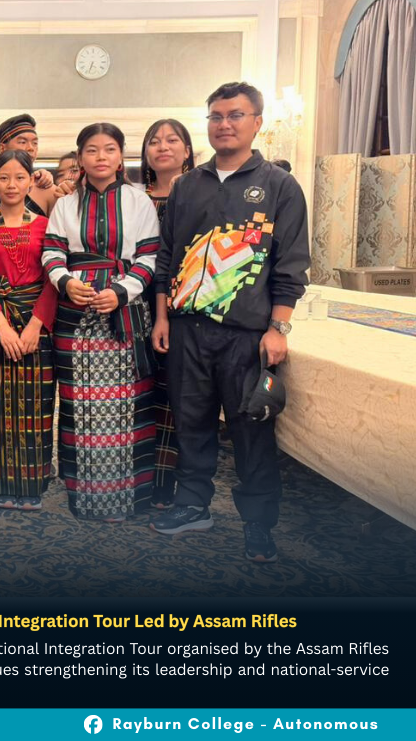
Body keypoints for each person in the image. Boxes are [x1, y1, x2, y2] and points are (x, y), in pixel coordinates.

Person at [151, 81, 310, 563]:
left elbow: (291, 266)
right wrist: (162, 317)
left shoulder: (280, 186)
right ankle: (192, 504)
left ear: (257, 122)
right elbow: (166, 257)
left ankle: (258, 523)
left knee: (250, 430)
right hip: (186, 329)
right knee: (191, 423)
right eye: (216, 116)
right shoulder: (187, 185)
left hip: (246, 335)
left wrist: (278, 329)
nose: (224, 124)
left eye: (235, 115)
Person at [43, 123, 160, 522]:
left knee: (126, 404)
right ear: (80, 157)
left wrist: (122, 291)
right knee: (80, 405)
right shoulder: (65, 204)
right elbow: (52, 252)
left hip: (124, 310)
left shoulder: (139, 200)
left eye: (109, 149)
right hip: (74, 311)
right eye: (91, 150)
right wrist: (65, 281)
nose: (101, 157)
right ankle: (85, 495)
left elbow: (149, 256)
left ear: (121, 155)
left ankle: (125, 496)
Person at [0, 150, 57, 509]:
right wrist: (1, 327)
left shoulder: (46, 225)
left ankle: (31, 484)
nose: (12, 184)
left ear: (31, 181)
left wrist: (35, 325)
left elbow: (53, 279)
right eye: (4, 177)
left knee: (36, 406)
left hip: (37, 323)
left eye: (20, 177)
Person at [140, 118, 195, 510]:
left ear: (187, 150)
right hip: (133, 305)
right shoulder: (133, 197)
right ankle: (138, 479)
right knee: (140, 395)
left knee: (175, 397)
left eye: (172, 140)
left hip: (181, 306)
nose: (163, 147)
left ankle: (167, 483)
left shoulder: (200, 194)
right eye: (155, 141)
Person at [0, 114, 60, 220]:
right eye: (22, 142)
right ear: (2, 148)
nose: (31, 148)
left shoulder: (47, 189)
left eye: (35, 143)